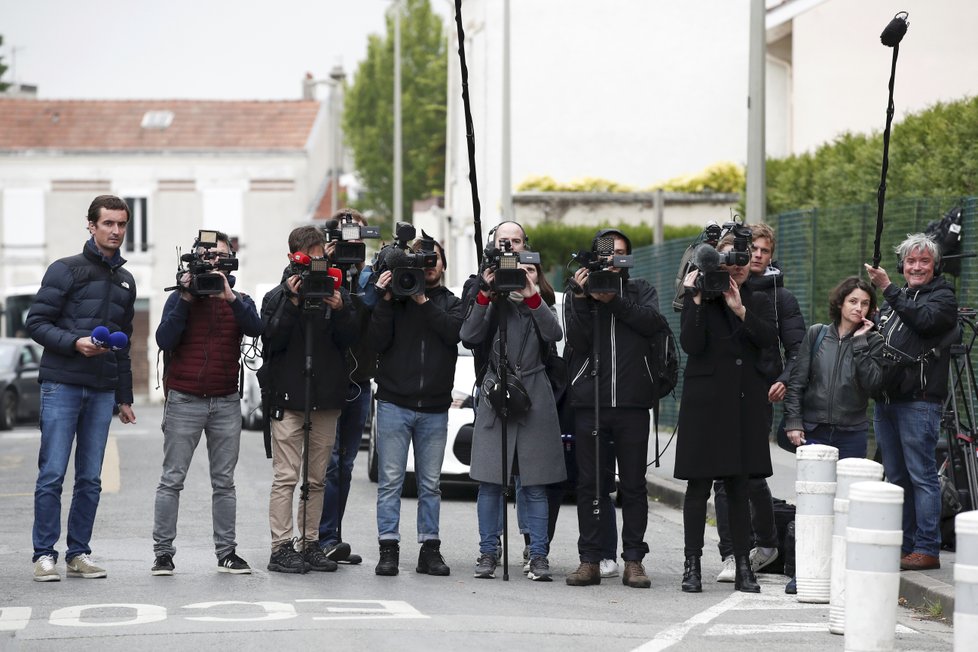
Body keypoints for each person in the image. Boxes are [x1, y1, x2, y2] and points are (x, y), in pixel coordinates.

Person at [27, 195, 138, 582]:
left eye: (121, 224)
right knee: (53, 473)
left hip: (102, 389)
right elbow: (36, 322)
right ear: (91, 226)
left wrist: (124, 397)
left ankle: (78, 553)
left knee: (91, 478)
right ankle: (44, 555)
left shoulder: (126, 280)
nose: (116, 231)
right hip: (62, 384)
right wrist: (75, 342)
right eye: (108, 223)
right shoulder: (65, 270)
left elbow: (125, 344)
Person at [151, 231, 262, 576]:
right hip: (184, 398)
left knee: (224, 482)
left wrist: (229, 296)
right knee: (172, 479)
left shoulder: (239, 298)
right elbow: (164, 339)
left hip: (226, 400)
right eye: (207, 256)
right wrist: (185, 297)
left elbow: (256, 328)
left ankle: (227, 552)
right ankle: (163, 553)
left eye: (220, 256)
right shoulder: (181, 298)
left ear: (231, 263)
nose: (214, 262)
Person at [564, 228, 669, 589]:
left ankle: (634, 560)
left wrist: (614, 300)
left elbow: (653, 325)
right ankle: (589, 559)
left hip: (632, 403)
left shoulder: (641, 291)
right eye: (606, 255)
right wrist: (582, 298)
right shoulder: (578, 294)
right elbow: (576, 342)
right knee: (591, 484)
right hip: (589, 403)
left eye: (620, 253)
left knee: (634, 485)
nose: (613, 260)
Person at [675, 235, 777, 594]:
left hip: (742, 402)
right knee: (697, 487)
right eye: (729, 260)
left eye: (743, 260)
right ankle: (692, 564)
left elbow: (767, 339)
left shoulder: (759, 299)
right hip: (705, 403)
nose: (737, 267)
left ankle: (743, 566)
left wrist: (740, 309)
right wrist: (697, 299)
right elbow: (691, 344)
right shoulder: (700, 294)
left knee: (737, 485)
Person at [259, 226, 358, 574]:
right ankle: (281, 546)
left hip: (326, 397)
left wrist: (341, 307)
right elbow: (270, 339)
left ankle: (311, 542)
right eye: (309, 256)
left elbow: (352, 339)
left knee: (317, 478)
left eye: (321, 256)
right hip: (287, 397)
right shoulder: (277, 296)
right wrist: (293, 301)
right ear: (294, 257)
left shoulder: (337, 292)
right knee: (286, 477)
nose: (316, 263)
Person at [714, 222, 806, 582]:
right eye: (750, 248)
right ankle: (729, 554)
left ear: (771, 254)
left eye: (763, 250)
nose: (755, 255)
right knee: (723, 476)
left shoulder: (780, 297)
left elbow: (798, 348)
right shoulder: (719, 286)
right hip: (724, 392)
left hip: (760, 392)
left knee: (752, 473)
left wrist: (783, 379)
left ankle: (767, 544)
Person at [462, 262, 566, 581]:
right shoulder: (494, 304)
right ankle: (488, 551)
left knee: (535, 483)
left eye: (530, 270)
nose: (522, 276)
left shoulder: (541, 305)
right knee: (491, 481)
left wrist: (532, 296)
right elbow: (468, 335)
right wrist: (485, 294)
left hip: (535, 393)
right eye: (516, 271)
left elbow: (554, 334)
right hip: (497, 393)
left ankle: (538, 555)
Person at [369, 237, 462, 577]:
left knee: (430, 484)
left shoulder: (451, 302)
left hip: (435, 406)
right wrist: (385, 298)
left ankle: (430, 550)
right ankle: (388, 548)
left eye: (434, 259)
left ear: (443, 265)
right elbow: (376, 341)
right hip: (395, 401)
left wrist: (422, 300)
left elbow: (455, 333)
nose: (429, 265)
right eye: (422, 260)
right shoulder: (395, 300)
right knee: (391, 480)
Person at [865, 233, 958, 571]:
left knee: (922, 477)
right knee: (897, 477)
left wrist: (888, 288)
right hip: (887, 398)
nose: (916, 267)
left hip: (919, 402)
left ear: (935, 266)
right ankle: (904, 546)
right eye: (911, 261)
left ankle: (927, 548)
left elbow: (924, 321)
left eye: (924, 261)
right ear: (902, 265)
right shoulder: (897, 297)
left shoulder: (942, 296)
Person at [318, 208, 378, 565]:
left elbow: (371, 313)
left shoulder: (372, 277)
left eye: (358, 241)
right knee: (328, 462)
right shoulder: (322, 273)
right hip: (326, 380)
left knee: (345, 464)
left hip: (359, 381)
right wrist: (327, 270)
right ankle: (322, 536)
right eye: (344, 241)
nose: (351, 248)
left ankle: (333, 536)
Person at [784, 276, 885, 458]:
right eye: (853, 301)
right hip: (814, 429)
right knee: (813, 486)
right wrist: (794, 422)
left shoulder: (873, 341)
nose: (858, 308)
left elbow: (873, 384)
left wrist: (860, 342)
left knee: (847, 486)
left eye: (865, 303)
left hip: (852, 434)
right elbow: (796, 382)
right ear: (840, 303)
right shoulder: (817, 333)